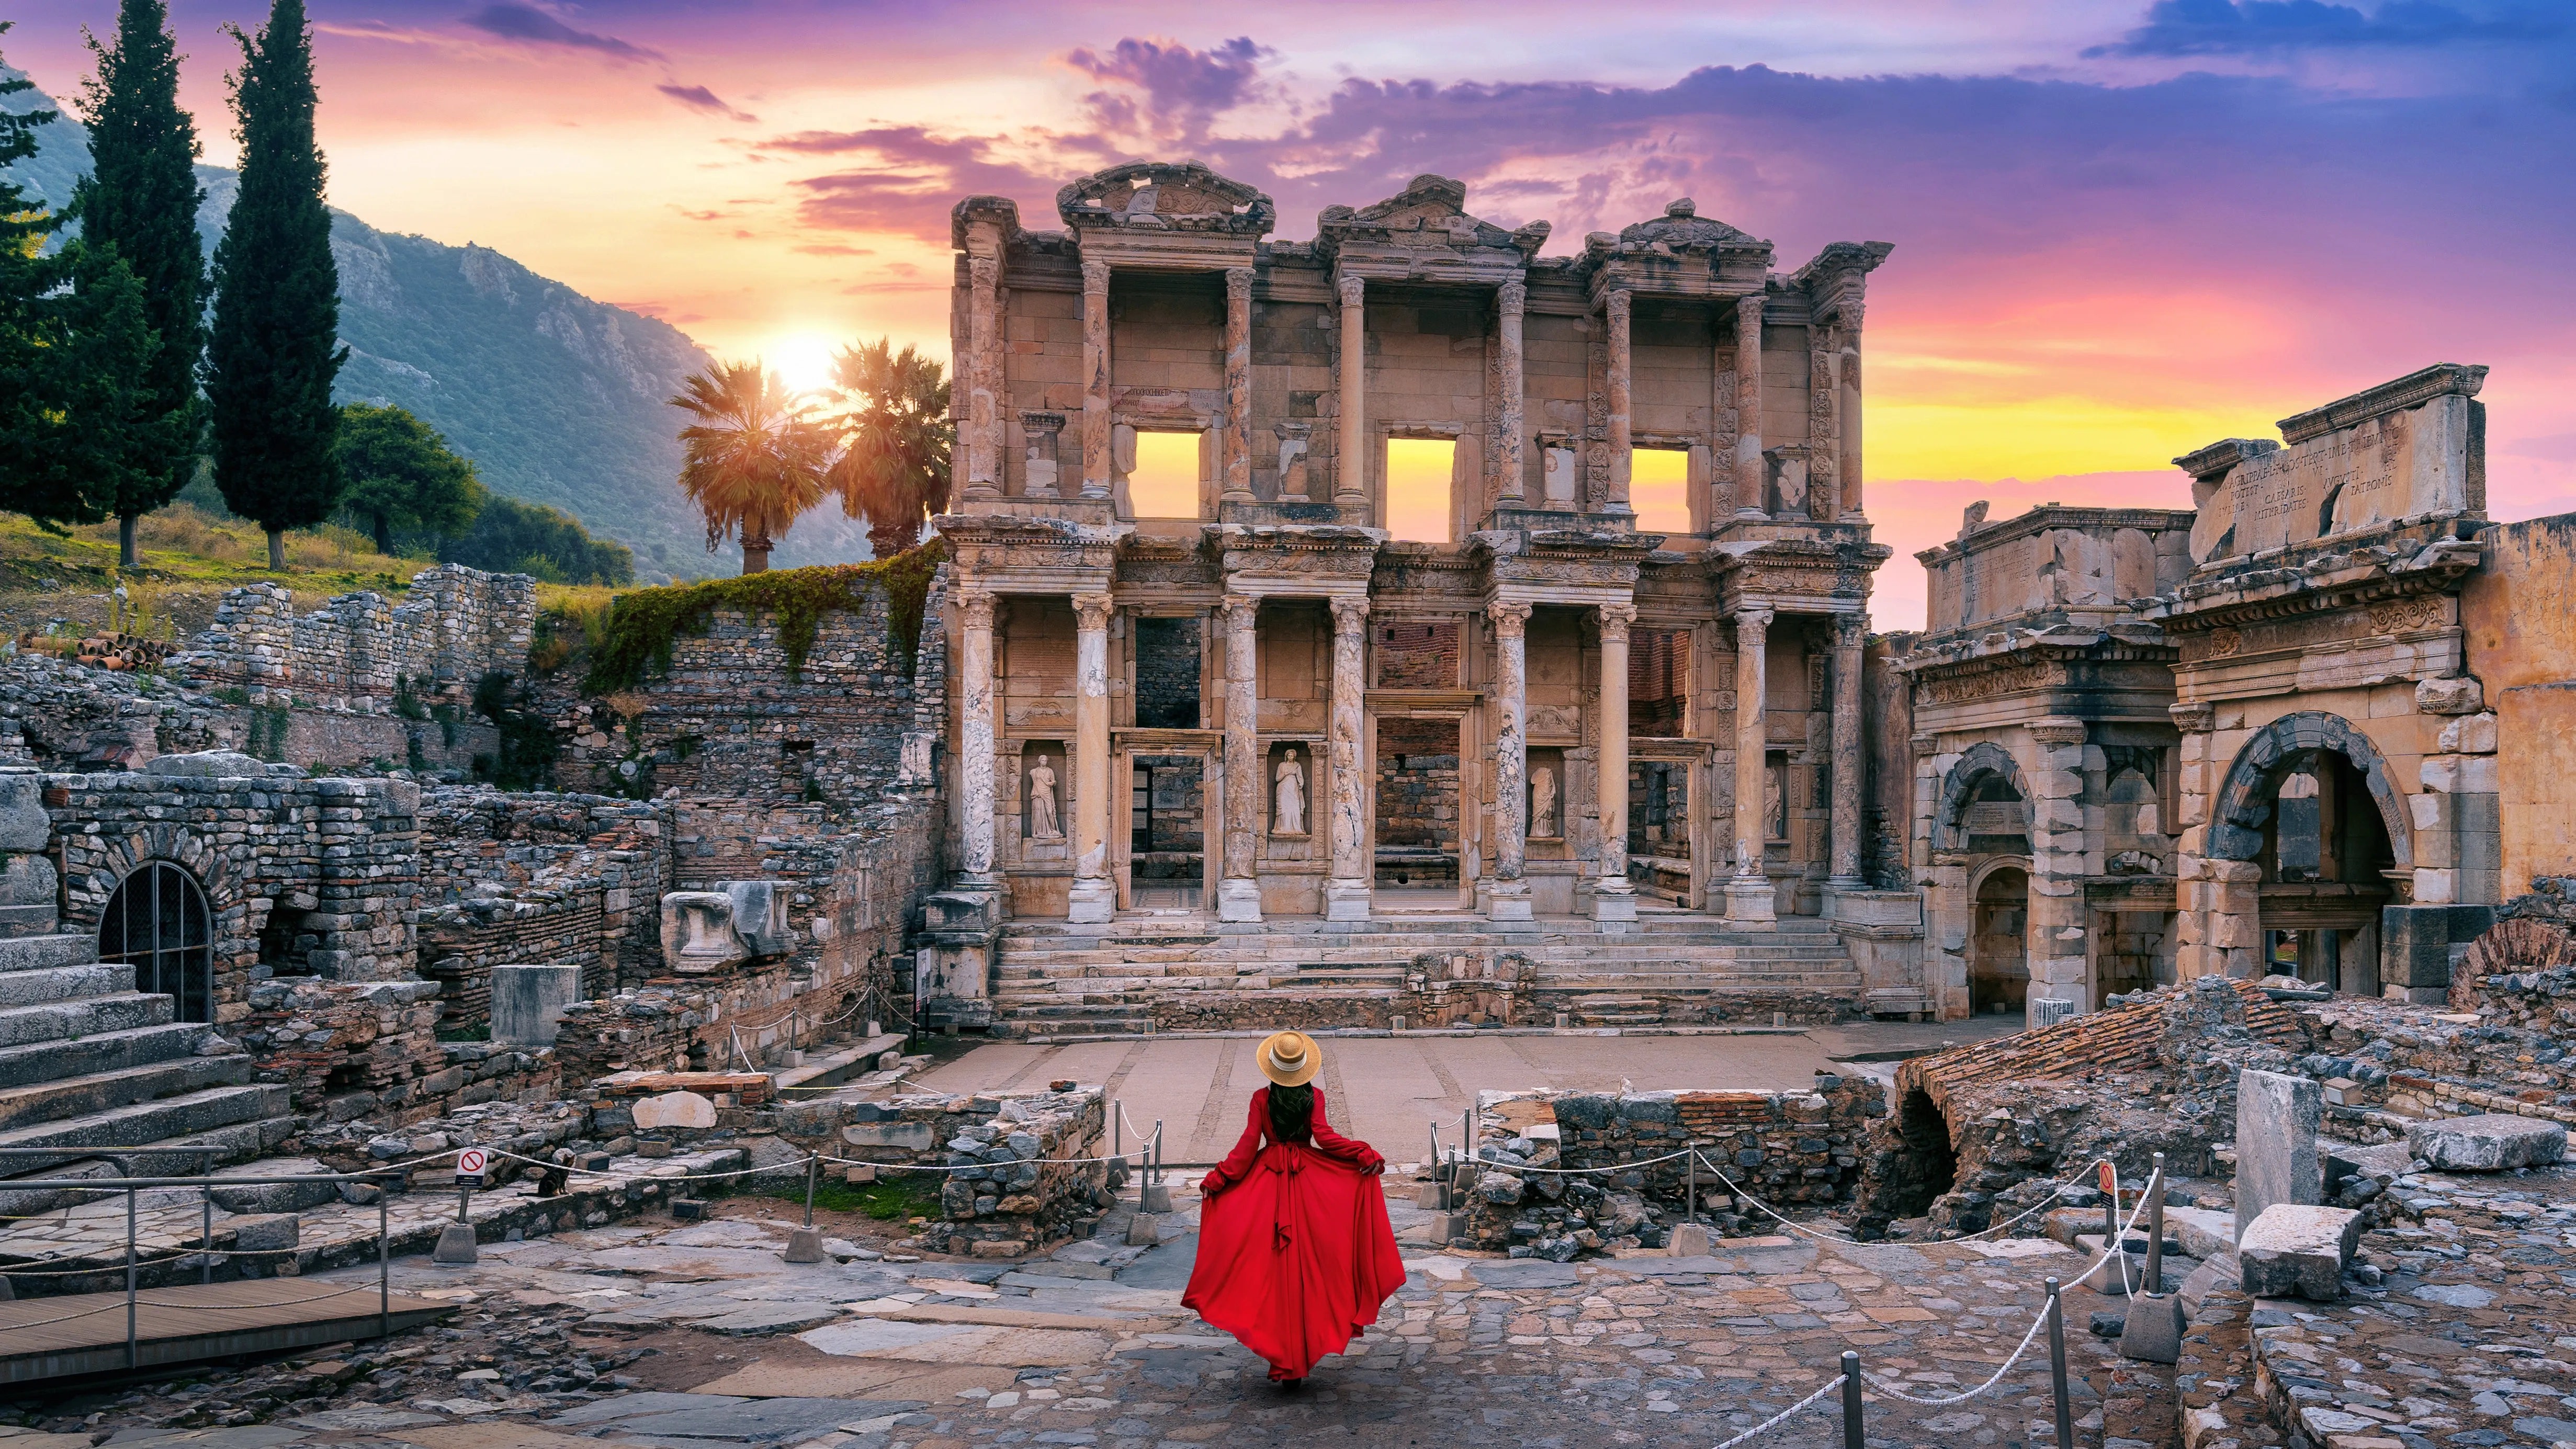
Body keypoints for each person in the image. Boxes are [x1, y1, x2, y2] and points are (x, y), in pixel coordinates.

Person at [1183, 1031, 1405, 1387]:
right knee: (1313, 1265)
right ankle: (1301, 1349)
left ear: (1272, 1067)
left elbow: (1245, 1149)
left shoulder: (1260, 1098)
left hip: (1268, 1181)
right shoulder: (1314, 1096)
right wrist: (1363, 1152)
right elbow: (1325, 1137)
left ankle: (1283, 1352)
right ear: (1304, 1067)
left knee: (1269, 1271)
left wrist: (1218, 1179)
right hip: (1308, 1182)